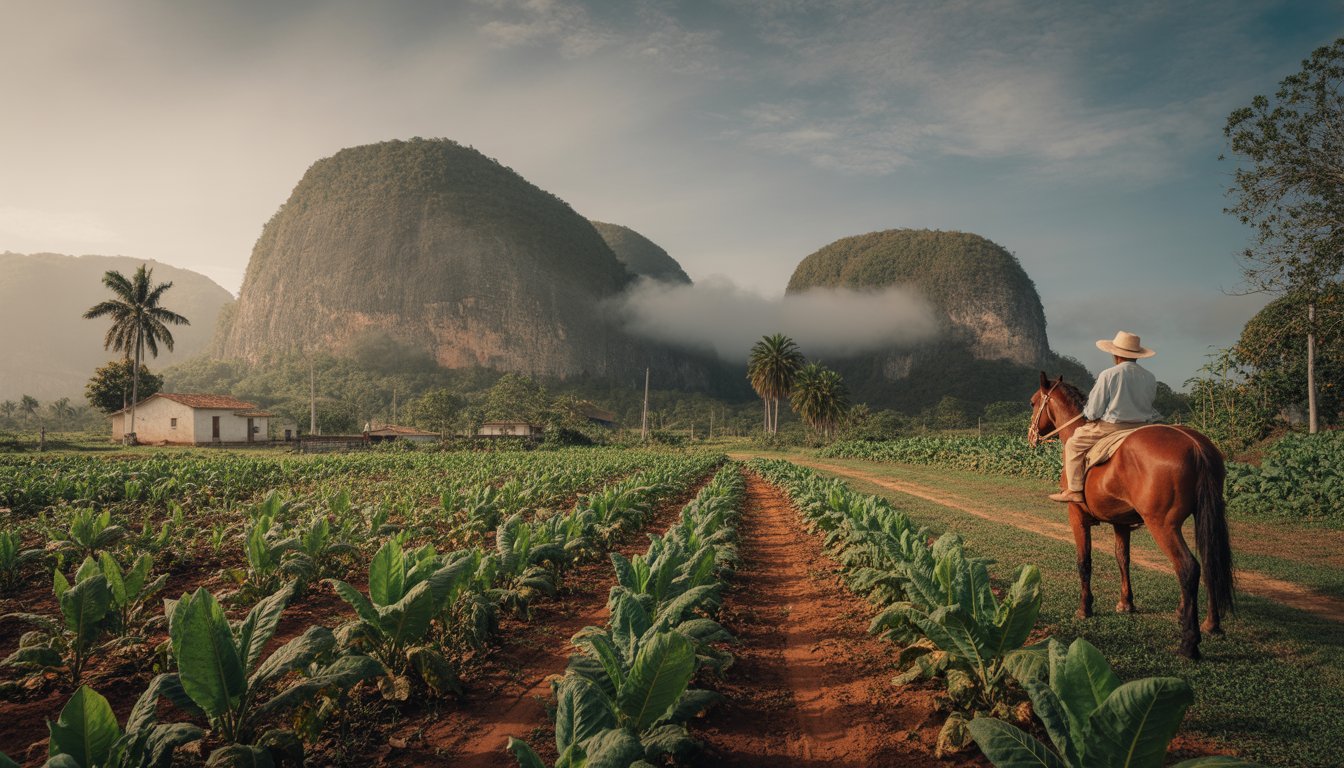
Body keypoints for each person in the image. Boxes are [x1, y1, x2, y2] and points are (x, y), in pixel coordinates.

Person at [1048, 331, 1161, 503]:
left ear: (1116, 355)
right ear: (1137, 355)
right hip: (1142, 426)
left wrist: (1089, 415)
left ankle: (1074, 490)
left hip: (1112, 426)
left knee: (1073, 444)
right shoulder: (1150, 377)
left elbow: (1094, 411)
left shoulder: (1109, 374)